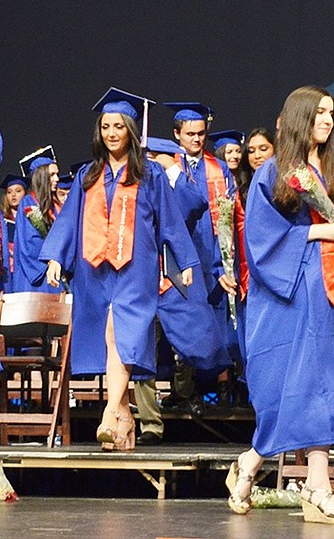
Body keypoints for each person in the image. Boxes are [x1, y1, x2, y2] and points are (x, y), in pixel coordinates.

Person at [40, 87, 200, 452]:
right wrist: (55, 258)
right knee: (111, 337)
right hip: (92, 270)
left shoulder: (150, 174)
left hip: (136, 266)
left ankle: (109, 412)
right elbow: (69, 221)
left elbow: (170, 220)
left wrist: (184, 261)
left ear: (130, 129)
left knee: (120, 331)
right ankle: (125, 420)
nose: (112, 133)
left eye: (118, 126)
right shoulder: (87, 174)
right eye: (106, 126)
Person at [228, 85, 334, 524]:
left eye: (332, 113)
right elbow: (261, 239)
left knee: (320, 379)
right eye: (320, 112)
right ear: (301, 116)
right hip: (290, 288)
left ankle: (273, 470)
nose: (328, 120)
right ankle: (306, 483)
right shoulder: (275, 171)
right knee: (299, 383)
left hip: (326, 288)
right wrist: (319, 233)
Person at [133, 137, 231, 445]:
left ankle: (183, 392)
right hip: (142, 274)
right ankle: (150, 422)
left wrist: (172, 170)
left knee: (189, 334)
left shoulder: (176, 182)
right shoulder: (131, 184)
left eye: (156, 158)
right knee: (142, 345)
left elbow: (197, 203)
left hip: (176, 272)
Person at [163, 100, 235, 413]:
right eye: (190, 133)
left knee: (213, 325)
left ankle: (215, 392)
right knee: (183, 322)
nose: (197, 139)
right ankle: (182, 391)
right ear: (177, 134)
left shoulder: (219, 170)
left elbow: (229, 216)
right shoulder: (165, 168)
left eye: (201, 133)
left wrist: (225, 259)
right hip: (179, 256)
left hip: (212, 255)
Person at [11, 147, 62, 293]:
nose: (57, 179)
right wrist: (52, 258)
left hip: (55, 271)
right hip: (39, 276)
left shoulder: (55, 206)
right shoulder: (28, 204)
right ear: (42, 176)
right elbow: (30, 242)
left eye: (57, 174)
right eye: (52, 175)